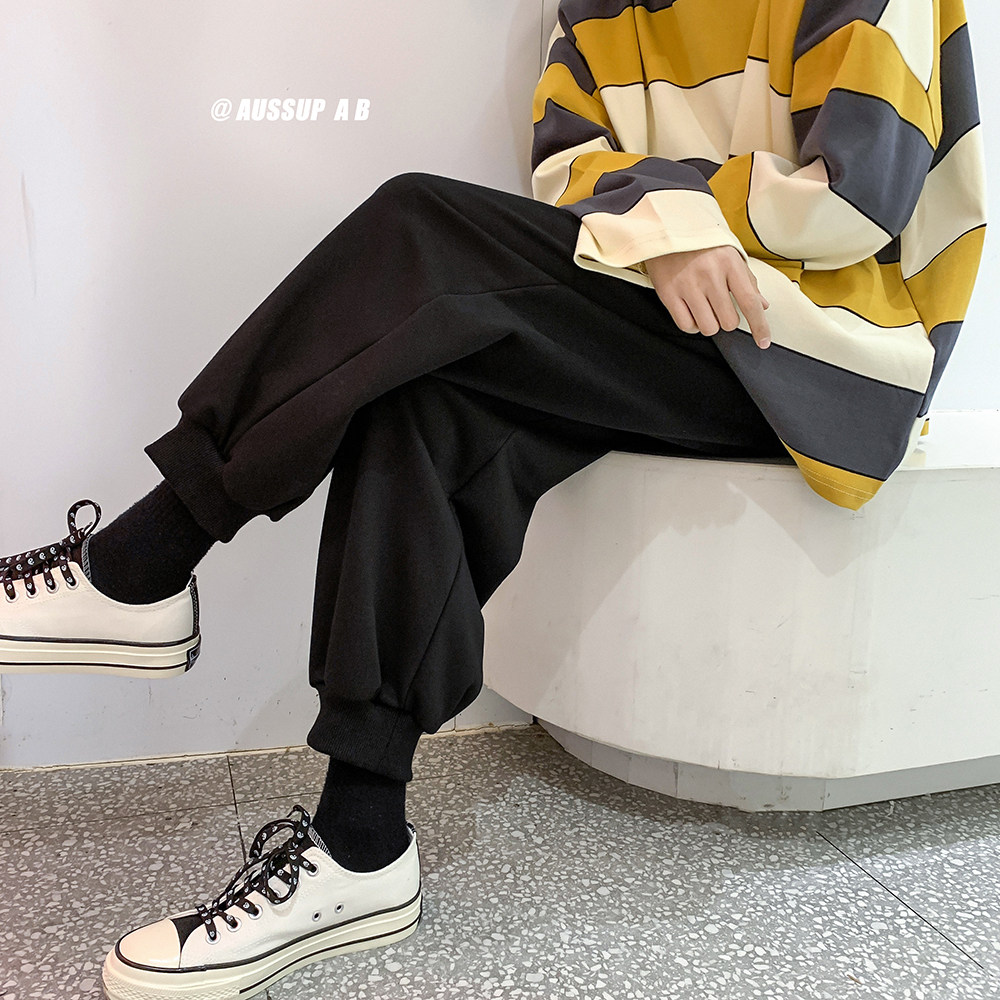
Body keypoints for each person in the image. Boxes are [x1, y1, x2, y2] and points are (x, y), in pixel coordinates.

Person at [0, 1, 985, 998]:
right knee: (423, 390)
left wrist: (668, 219)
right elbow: (566, 164)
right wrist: (669, 229)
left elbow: (858, 196)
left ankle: (144, 559)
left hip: (820, 351)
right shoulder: (594, 4)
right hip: (664, 320)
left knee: (417, 227)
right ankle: (359, 842)